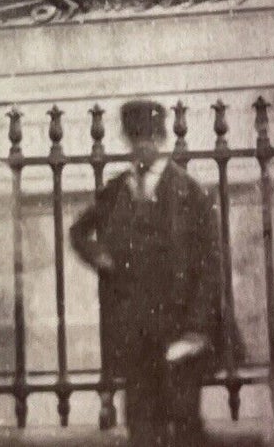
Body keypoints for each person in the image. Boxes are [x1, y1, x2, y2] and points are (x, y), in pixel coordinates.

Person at [69, 98, 225, 447]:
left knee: (184, 425)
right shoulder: (115, 191)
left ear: (162, 139)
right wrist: (101, 257)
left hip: (179, 332)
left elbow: (211, 266)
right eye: (136, 137)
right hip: (134, 335)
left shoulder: (190, 192)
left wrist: (198, 329)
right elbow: (78, 232)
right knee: (140, 427)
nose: (144, 145)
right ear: (127, 140)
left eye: (151, 137)